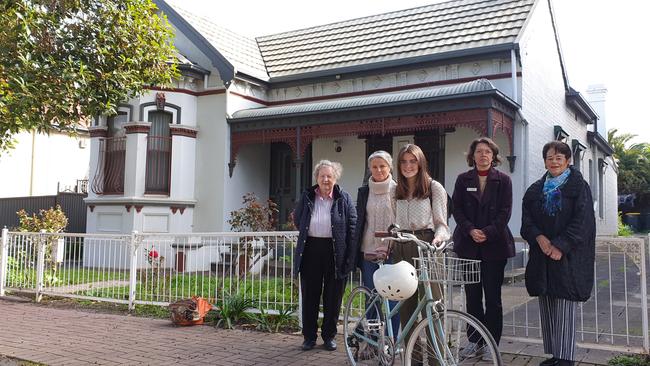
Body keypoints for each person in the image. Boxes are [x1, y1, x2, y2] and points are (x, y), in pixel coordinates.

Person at [521, 141, 596, 366]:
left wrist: (560, 245)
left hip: (567, 256)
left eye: (559, 158)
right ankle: (555, 355)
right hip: (542, 255)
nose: (554, 161)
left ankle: (566, 359)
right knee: (547, 303)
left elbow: (582, 221)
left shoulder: (578, 186)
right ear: (544, 160)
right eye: (550, 158)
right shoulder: (535, 189)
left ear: (568, 161)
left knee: (564, 304)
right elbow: (527, 221)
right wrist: (540, 239)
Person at [452, 137, 515, 356]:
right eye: (479, 151)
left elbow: (505, 212)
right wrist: (470, 230)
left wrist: (487, 232)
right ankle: (474, 340)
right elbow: (457, 209)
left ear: (494, 155)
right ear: (472, 156)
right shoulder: (463, 179)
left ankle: (491, 343)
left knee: (493, 298)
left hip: (494, 247)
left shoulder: (504, 180)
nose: (483, 155)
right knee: (472, 296)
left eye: (488, 151)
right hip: (468, 247)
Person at [392, 143, 450, 361]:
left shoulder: (434, 188)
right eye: (404, 162)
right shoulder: (394, 189)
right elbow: (392, 223)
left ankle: (437, 360)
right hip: (402, 245)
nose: (408, 166)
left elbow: (442, 223)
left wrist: (439, 237)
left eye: (412, 161)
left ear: (421, 162)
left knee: (434, 306)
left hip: (427, 244)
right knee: (407, 308)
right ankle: (413, 360)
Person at [293, 160, 357, 352]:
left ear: (335, 178)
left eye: (329, 176)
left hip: (335, 251)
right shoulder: (307, 197)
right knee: (310, 296)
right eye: (322, 176)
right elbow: (298, 219)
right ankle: (309, 337)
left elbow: (352, 226)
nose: (326, 179)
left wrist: (349, 257)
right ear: (317, 178)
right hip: (311, 249)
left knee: (333, 296)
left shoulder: (343, 198)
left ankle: (328, 336)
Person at [355, 150, 400, 339]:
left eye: (382, 166)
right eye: (374, 166)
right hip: (369, 251)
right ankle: (372, 341)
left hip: (392, 252)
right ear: (369, 169)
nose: (379, 170)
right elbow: (360, 221)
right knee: (372, 299)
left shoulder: (398, 190)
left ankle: (390, 341)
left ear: (389, 167)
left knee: (392, 299)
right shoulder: (364, 191)